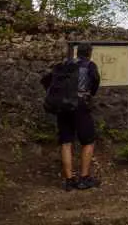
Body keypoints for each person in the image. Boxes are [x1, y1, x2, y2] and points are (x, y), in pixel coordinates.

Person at [41, 42, 101, 190]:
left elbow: (47, 80)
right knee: (88, 141)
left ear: (77, 52)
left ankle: (69, 180)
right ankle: (84, 178)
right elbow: (94, 85)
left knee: (66, 142)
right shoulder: (90, 65)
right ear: (89, 53)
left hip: (62, 107)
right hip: (80, 105)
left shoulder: (65, 64)